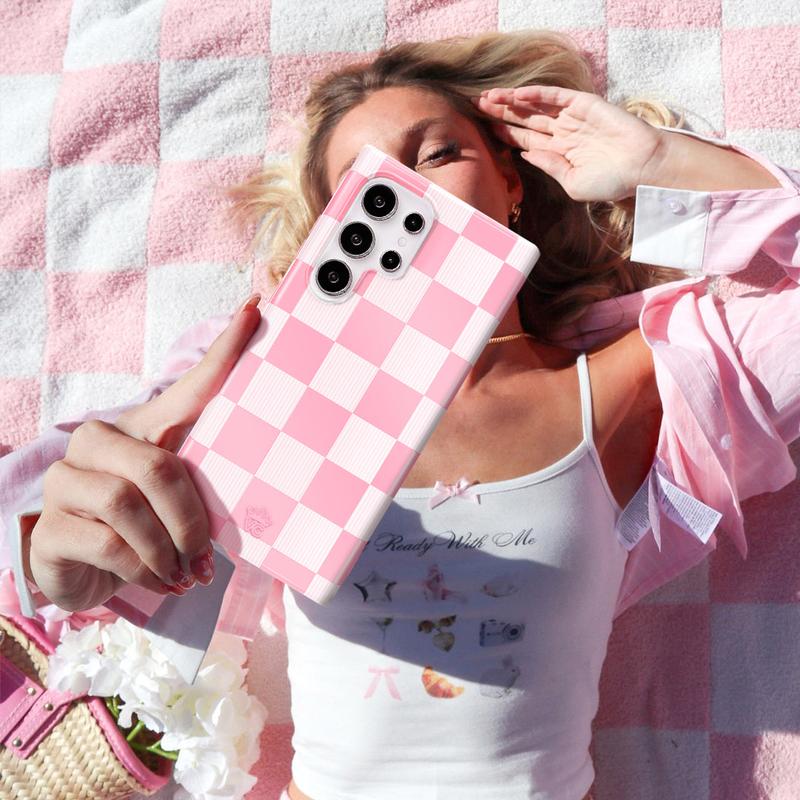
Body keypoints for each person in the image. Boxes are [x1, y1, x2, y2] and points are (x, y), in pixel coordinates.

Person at [2, 29, 799, 800]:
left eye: (439, 154)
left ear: (513, 183)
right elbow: (51, 524)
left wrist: (661, 168)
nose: (410, 195)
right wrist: (50, 555)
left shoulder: (635, 384)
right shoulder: (261, 394)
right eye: (367, 186)